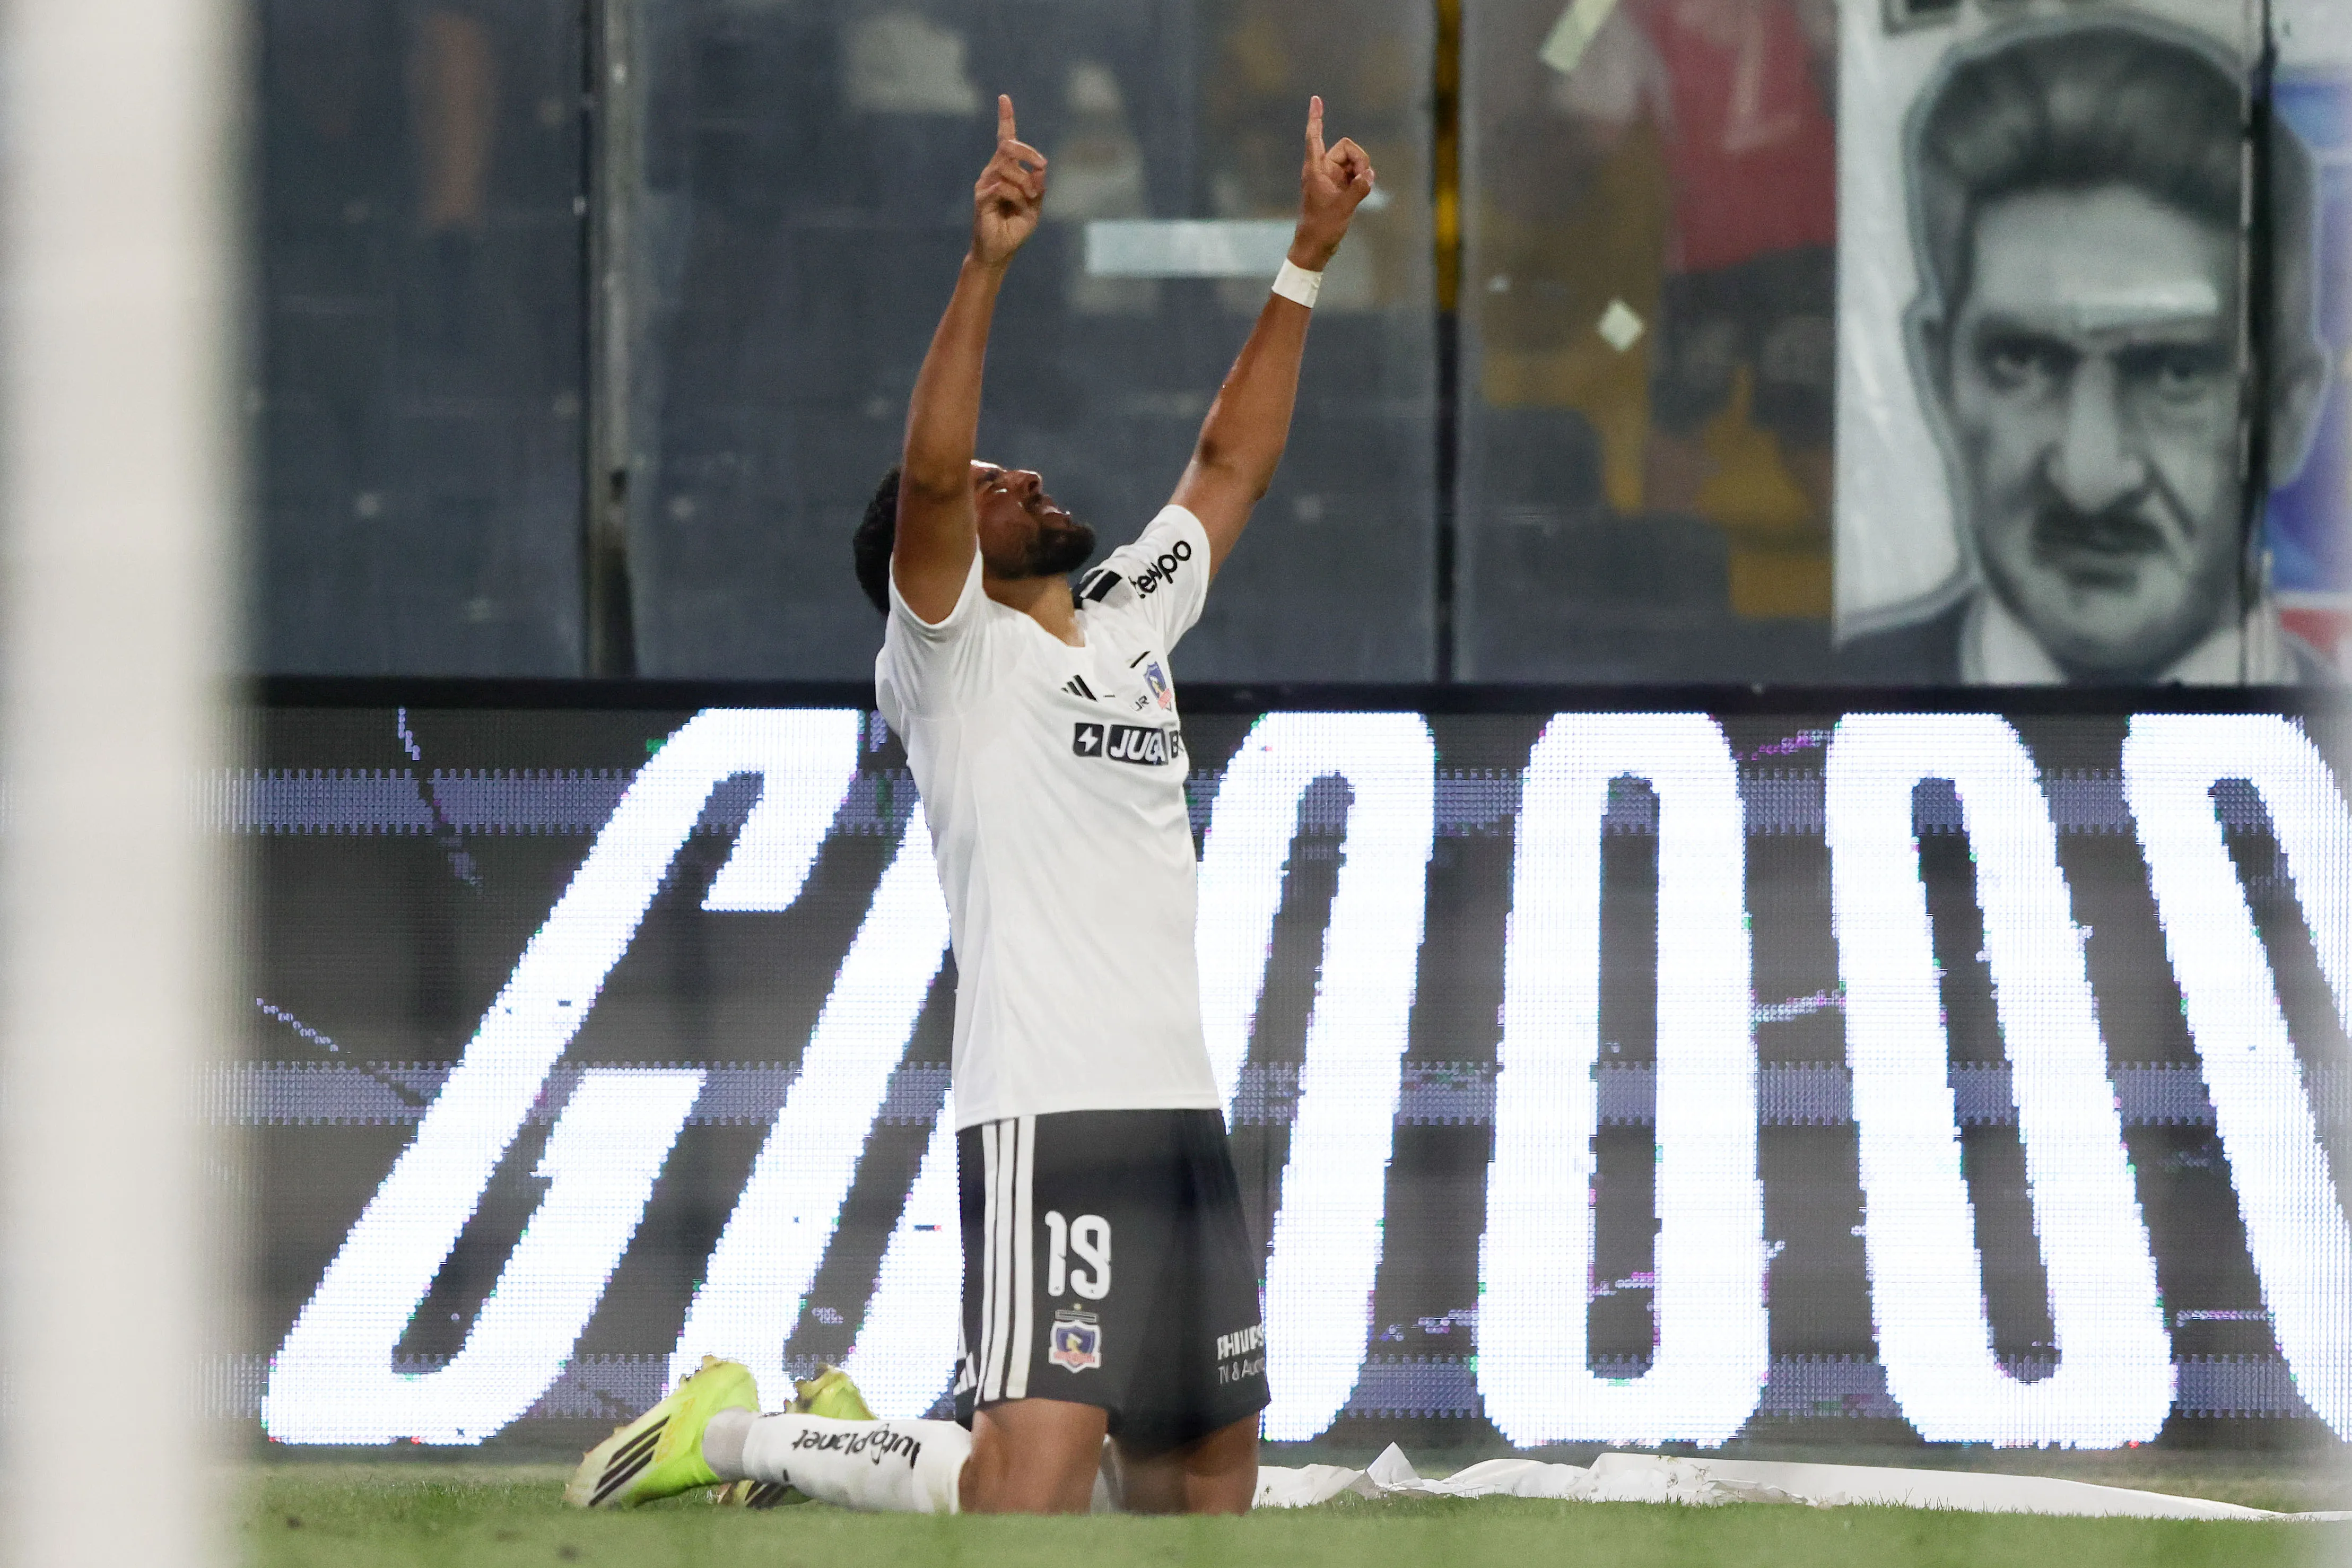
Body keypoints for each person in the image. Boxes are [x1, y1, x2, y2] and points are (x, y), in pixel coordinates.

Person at [567, 91, 1374, 1516]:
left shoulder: (1125, 614)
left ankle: (833, 1424)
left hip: (1178, 1112)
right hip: (1048, 1111)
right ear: (939, 555)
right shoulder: (950, 657)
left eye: (1017, 471)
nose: (1022, 476)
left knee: (1206, 1494)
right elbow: (932, 474)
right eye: (999, 487)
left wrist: (1306, 254)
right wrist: (986, 266)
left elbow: (1230, 464)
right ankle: (737, 1432)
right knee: (1024, 1490)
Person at [1837, 17, 2333, 684]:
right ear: (1938, 380)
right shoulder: (1815, 721)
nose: (2088, 478)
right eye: (2021, 363)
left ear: (2288, 412)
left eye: (2176, 373)